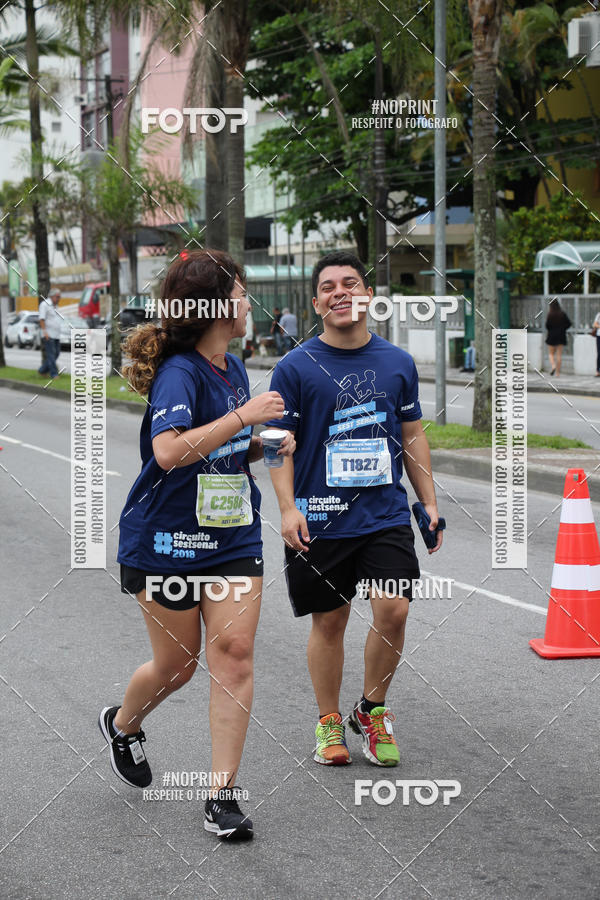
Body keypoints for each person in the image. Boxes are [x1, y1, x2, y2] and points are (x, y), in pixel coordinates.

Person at [98, 249, 294, 841]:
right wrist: (244, 419)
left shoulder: (230, 366)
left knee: (232, 653)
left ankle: (221, 795)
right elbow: (168, 451)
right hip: (165, 541)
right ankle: (124, 724)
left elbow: (217, 451)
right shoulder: (181, 372)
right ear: (214, 305)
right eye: (240, 292)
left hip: (231, 538)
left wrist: (260, 446)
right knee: (177, 666)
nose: (247, 304)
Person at [266, 250, 442, 769]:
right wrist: (288, 508)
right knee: (330, 621)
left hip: (383, 513)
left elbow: (412, 435)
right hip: (319, 516)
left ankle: (371, 708)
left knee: (395, 609)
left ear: (368, 295)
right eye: (329, 286)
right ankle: (327, 721)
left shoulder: (397, 362)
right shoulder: (295, 367)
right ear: (317, 302)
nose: (341, 292)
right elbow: (278, 441)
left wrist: (428, 501)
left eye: (351, 283)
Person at [38, 288, 61, 378]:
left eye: (59, 297)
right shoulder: (44, 304)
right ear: (52, 296)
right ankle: (54, 374)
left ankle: (42, 370)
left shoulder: (56, 307)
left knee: (57, 353)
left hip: (56, 334)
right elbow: (42, 319)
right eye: (57, 297)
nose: (59, 299)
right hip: (48, 334)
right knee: (51, 354)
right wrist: (45, 332)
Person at [545, 298, 571, 377]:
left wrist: (551, 330)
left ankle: (553, 366)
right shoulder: (562, 314)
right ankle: (558, 373)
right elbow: (569, 323)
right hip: (561, 335)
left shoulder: (550, 314)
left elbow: (547, 325)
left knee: (551, 354)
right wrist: (563, 328)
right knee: (559, 355)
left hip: (552, 335)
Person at [592, 310, 600, 377]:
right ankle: (598, 371)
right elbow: (595, 324)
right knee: (599, 353)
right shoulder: (599, 314)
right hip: (599, 336)